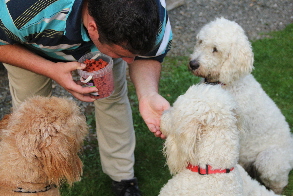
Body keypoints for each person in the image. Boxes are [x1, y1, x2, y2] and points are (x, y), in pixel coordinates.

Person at [0, 0, 172, 195]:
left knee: (111, 99)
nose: (129, 62)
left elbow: (146, 56)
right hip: (26, 44)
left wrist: (148, 93)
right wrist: (50, 69)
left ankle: (123, 178)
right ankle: (30, 183)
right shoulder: (19, 9)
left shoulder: (153, 12)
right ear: (93, 27)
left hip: (94, 40)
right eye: (120, 53)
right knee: (29, 117)